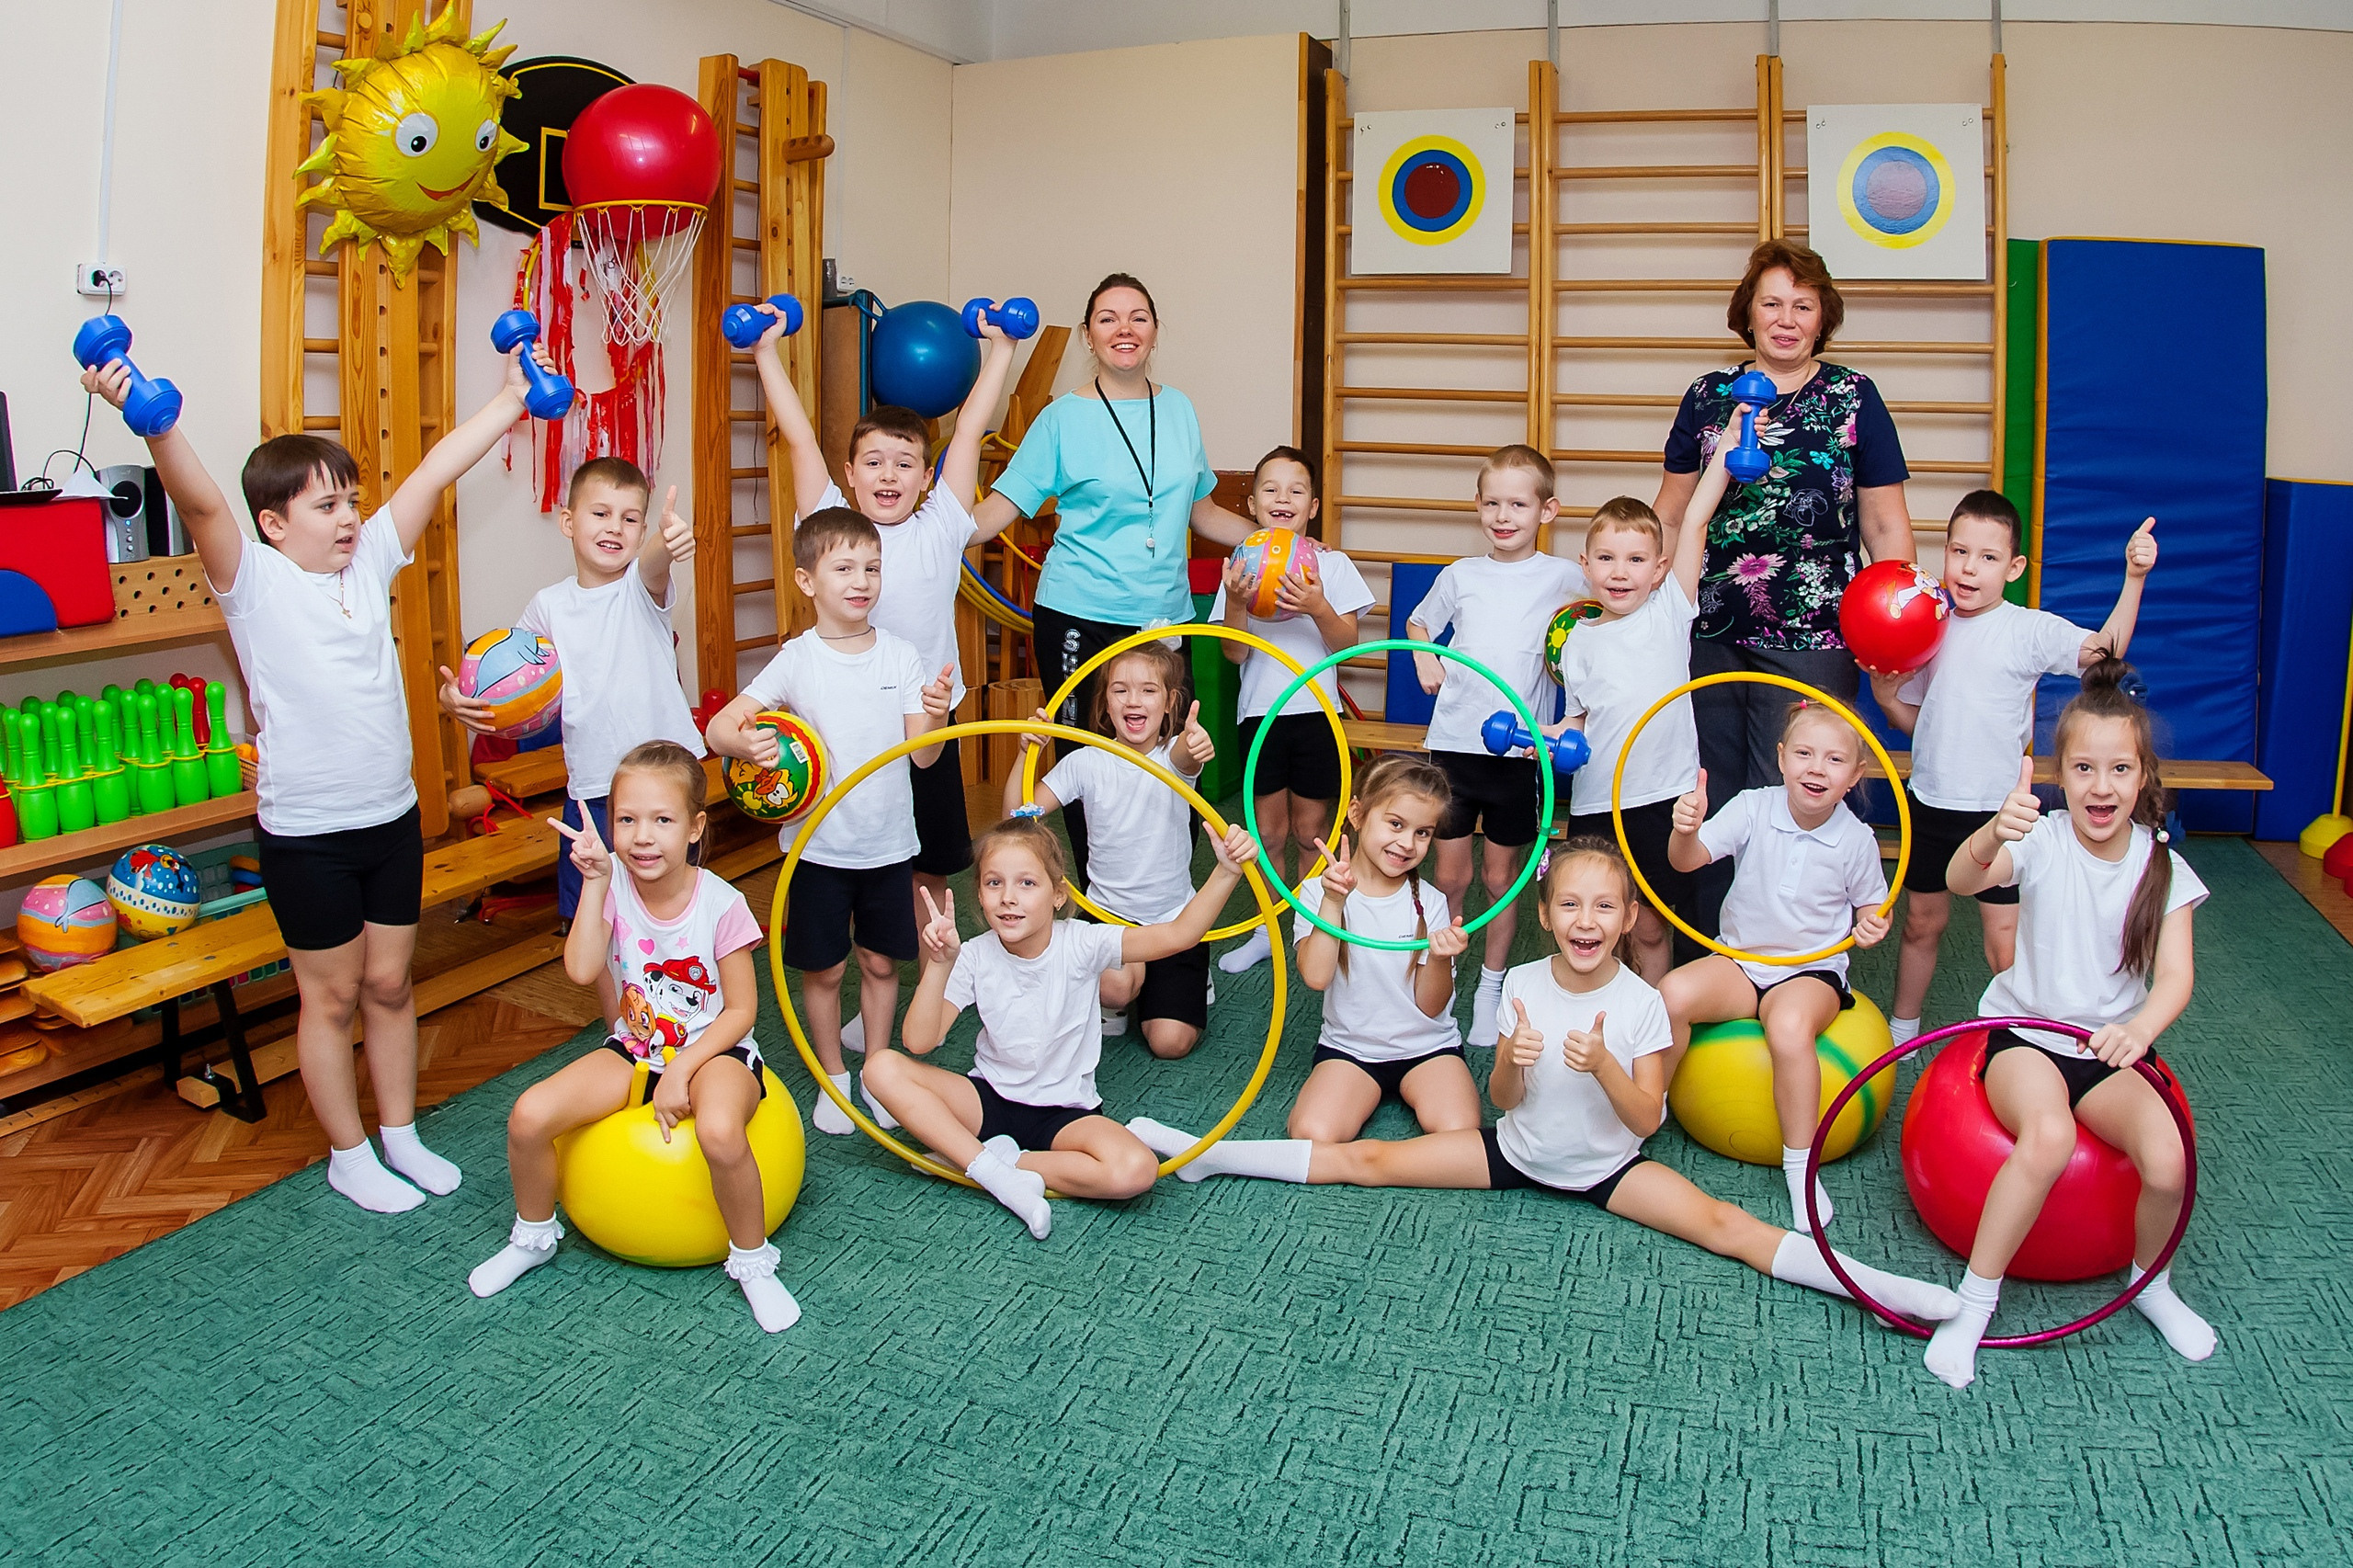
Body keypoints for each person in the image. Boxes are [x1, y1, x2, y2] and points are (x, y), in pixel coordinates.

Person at [81, 341, 549, 1214]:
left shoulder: (369, 560)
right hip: (307, 835)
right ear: (274, 523)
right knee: (331, 996)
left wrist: (511, 403)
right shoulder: (251, 582)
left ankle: (402, 1134)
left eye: (352, 500)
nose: (349, 517)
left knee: (390, 983)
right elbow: (199, 498)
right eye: (327, 504)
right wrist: (155, 423)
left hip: (390, 819)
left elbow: (434, 471)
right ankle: (348, 1150)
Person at [1127, 840, 1959, 1327]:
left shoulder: (1642, 1003)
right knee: (1367, 1162)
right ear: (1545, 912)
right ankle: (1203, 1151)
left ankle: (1885, 1290)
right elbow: (1502, 1105)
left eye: (1604, 909)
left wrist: (1600, 1065)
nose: (1586, 923)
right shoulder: (1523, 981)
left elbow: (1645, 1119)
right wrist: (1509, 1065)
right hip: (1514, 1153)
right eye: (1569, 907)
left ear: (1628, 921)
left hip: (1607, 1169)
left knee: (1718, 1224)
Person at [1924, 660, 2212, 1390]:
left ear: (2144, 777)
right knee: (2048, 1138)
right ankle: (1973, 1302)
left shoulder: (2163, 866)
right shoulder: (2043, 841)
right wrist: (1993, 832)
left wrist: (2141, 1029)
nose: (2102, 786)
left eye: (2120, 769)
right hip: (2026, 1039)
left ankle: (2150, 1283)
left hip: (2108, 1052)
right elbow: (1962, 881)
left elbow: (2176, 978)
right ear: (2059, 774)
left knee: (2170, 1160)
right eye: (2084, 768)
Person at [749, 301, 1019, 1062]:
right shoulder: (832, 521)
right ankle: (857, 995)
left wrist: (999, 348)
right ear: (848, 475)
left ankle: (930, 976)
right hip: (847, 733)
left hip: (924, 728)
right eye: (873, 462)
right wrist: (767, 353)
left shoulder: (942, 523)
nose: (890, 474)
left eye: (906, 462)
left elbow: (969, 428)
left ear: (927, 476)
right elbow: (797, 434)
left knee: (928, 865)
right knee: (846, 861)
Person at [465, 742, 797, 1333]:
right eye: (627, 819)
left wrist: (681, 1071)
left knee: (720, 1133)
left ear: (695, 828)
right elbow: (581, 969)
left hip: (716, 1050)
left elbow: (743, 1011)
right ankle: (534, 1235)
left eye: (662, 820)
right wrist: (594, 883)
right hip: (634, 1048)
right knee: (527, 1115)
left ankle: (753, 1263)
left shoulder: (722, 904)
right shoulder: (614, 886)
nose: (643, 837)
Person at [1652, 240, 1914, 935]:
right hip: (1707, 626)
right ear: (1749, 313)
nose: (1786, 318)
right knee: (1712, 792)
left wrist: (1896, 626)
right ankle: (1715, 952)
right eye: (1772, 303)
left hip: (1817, 632)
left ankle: (1799, 956)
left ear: (1823, 316)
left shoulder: (1853, 396)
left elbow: (1886, 528)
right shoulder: (1709, 397)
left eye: (1803, 305)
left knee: (1797, 791)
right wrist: (1631, 601)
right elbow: (1670, 514)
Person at [972, 274, 1254, 885]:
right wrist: (929, 534)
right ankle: (1100, 900)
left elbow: (1199, 511)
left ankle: (1167, 899)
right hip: (1078, 614)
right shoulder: (1061, 420)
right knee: (1084, 765)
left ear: (1155, 331)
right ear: (1087, 335)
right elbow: (1002, 508)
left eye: (1138, 317)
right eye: (1107, 318)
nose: (1124, 329)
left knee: (1170, 762)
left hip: (1163, 621)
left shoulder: (1178, 408)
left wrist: (1276, 540)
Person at [866, 816, 1262, 1240]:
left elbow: (1180, 935)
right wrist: (940, 966)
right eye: (994, 883)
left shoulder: (1083, 942)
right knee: (879, 1069)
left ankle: (982, 1161)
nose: (1008, 898)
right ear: (979, 892)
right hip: (987, 1100)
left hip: (1066, 1115)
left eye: (1027, 884)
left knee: (1136, 1170)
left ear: (1058, 895)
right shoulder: (974, 955)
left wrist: (1226, 872)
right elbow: (919, 1042)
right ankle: (991, 1172)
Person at [1870, 492, 2159, 1044]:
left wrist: (2134, 577)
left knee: (2004, 937)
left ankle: (2024, 1035)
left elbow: (2107, 653)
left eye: (1987, 557)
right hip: (1930, 802)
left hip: (2000, 816)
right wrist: (1886, 696)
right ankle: (1902, 1031)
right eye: (1959, 552)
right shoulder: (1928, 627)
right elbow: (1919, 723)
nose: (1969, 568)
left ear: (2014, 567)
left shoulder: (2028, 630)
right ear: (1944, 555)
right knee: (1921, 924)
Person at [704, 508, 954, 1136]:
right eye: (844, 567)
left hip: (889, 848)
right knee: (825, 970)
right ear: (807, 580)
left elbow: (922, 755)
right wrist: (744, 747)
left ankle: (875, 1071)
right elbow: (719, 726)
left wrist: (937, 714)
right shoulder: (796, 660)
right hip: (816, 852)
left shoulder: (901, 656)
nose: (861, 579)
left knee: (878, 964)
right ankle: (832, 1076)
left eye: (871, 567)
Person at [436, 457, 704, 1028]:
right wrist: (457, 703)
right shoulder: (547, 607)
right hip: (594, 791)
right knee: (604, 926)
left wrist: (665, 539)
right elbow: (510, 685)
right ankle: (625, 1036)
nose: (615, 527)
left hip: (667, 788)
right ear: (567, 522)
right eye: (601, 513)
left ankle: (693, 1025)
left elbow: (655, 565)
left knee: (679, 915)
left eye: (631, 519)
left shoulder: (641, 585)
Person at [1659, 700, 1893, 1231]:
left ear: (1856, 774)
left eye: (1834, 760)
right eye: (1805, 754)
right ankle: (1651, 1107)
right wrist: (1685, 829)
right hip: (1742, 960)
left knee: (1788, 1028)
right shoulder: (1752, 806)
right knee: (1672, 994)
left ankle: (1800, 1165)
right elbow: (1686, 861)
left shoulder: (1855, 839)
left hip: (1810, 973)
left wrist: (1873, 923)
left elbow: (1873, 905)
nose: (1817, 768)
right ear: (1782, 758)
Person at [1406, 444, 1588, 1051]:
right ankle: (1449, 971)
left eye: (1518, 503)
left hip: (1521, 755)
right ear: (1477, 507)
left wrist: (1577, 715)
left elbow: (1606, 618)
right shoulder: (1460, 575)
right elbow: (1417, 623)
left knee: (1500, 876)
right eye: (1492, 502)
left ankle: (1492, 984)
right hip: (1454, 749)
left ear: (1548, 510)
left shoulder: (1565, 577)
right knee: (1452, 876)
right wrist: (1427, 657)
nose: (1503, 515)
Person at [1004, 642, 1218, 1058]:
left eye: (1148, 691)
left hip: (1174, 917)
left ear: (1172, 702)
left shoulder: (1172, 758)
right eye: (1120, 690)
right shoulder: (1085, 762)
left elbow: (1185, 757)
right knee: (1116, 989)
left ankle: (1189, 971)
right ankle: (1119, 990)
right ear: (1104, 703)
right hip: (1109, 915)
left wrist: (1195, 744)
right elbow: (1019, 816)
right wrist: (1025, 753)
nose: (1133, 700)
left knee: (1170, 1044)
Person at [1211, 446, 1372, 975]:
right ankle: (1265, 930)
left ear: (1313, 506)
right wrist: (1237, 602)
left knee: (1312, 832)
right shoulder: (1238, 566)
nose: (1284, 498)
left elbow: (1349, 643)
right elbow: (1234, 651)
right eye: (1271, 489)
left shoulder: (1332, 564)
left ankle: (1312, 927)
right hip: (1260, 715)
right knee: (1267, 836)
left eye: (1296, 490)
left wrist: (1317, 605)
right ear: (1253, 503)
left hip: (1317, 714)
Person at [1552, 473, 1717, 982]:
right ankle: (1599, 1019)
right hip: (1597, 805)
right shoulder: (1575, 641)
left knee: (1649, 927)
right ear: (1586, 566)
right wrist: (1544, 738)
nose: (1620, 573)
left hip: (1662, 799)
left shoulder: (1668, 612)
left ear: (1660, 568)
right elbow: (1577, 721)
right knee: (1593, 926)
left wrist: (1728, 454)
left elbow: (1695, 518)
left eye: (1636, 560)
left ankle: (1651, 1024)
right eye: (1605, 559)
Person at [1280, 755, 1477, 1142]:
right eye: (1396, 824)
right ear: (1357, 814)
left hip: (1427, 1047)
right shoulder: (1318, 892)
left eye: (1423, 833)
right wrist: (1333, 903)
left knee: (1460, 1131)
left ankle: (1379, 1165)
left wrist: (1440, 959)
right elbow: (1316, 978)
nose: (1407, 843)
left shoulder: (1432, 902)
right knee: (1311, 1135)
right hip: (1351, 1048)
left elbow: (1432, 1005)